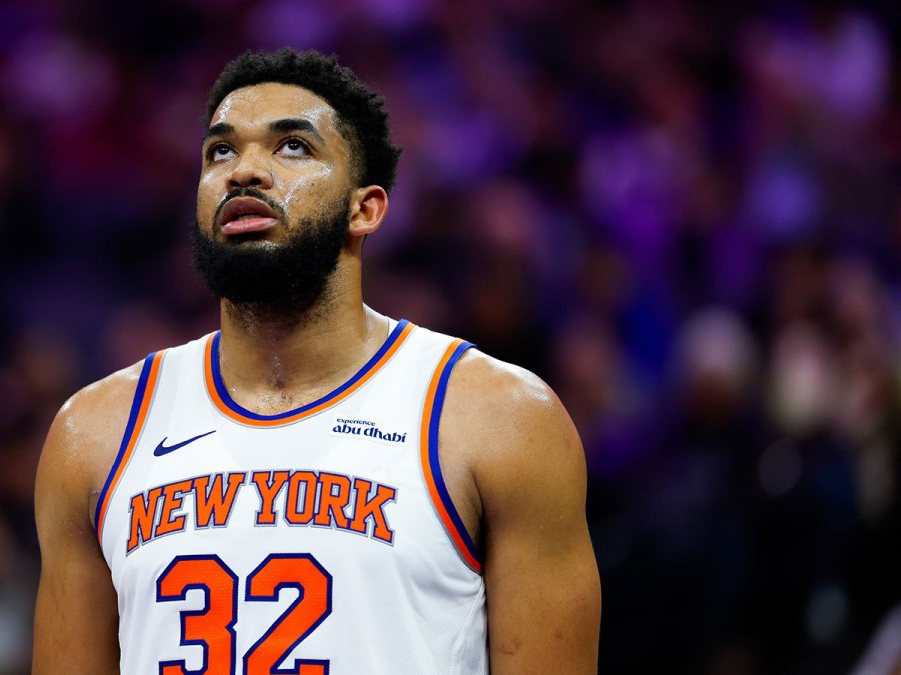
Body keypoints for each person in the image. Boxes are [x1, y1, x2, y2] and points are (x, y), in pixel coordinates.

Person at [33, 48, 600, 674]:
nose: (244, 171)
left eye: (293, 147)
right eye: (220, 151)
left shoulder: (500, 419)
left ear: (365, 208)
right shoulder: (93, 433)